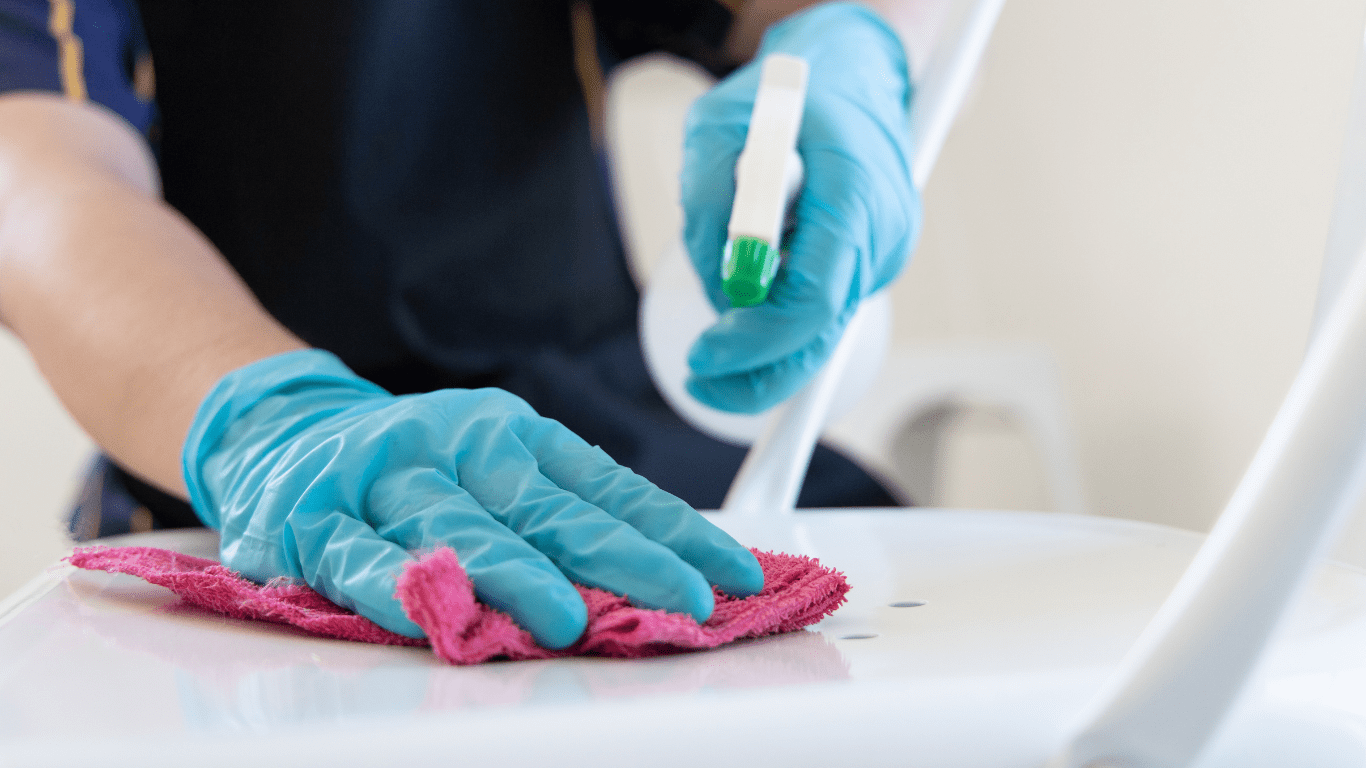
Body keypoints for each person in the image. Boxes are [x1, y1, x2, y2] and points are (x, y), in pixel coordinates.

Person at [0, 0, 921, 649]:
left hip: (621, 439)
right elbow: (35, 179)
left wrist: (852, 43)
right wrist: (268, 420)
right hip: (266, 485)